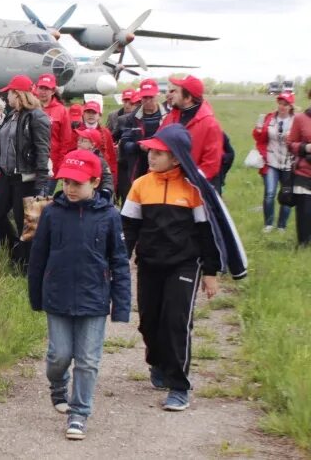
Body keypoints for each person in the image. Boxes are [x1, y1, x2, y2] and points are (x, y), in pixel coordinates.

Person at [120, 124, 247, 412]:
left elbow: (208, 233)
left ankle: (179, 386)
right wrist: (119, 262)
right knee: (149, 322)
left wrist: (211, 272)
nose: (151, 156)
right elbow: (128, 228)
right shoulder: (141, 185)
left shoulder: (193, 189)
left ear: (176, 157)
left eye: (158, 152)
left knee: (176, 322)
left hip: (184, 264)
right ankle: (157, 362)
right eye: (150, 150)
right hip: (150, 264)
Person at [28, 149, 131, 441]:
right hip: (57, 296)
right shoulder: (51, 213)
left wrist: (121, 305)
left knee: (87, 360)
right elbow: (38, 258)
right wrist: (36, 296)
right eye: (66, 182)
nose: (71, 189)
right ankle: (58, 385)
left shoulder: (110, 216)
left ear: (95, 182)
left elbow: (119, 261)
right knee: (59, 356)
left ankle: (79, 413)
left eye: (78, 183)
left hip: (94, 299)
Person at [0, 75, 51, 268]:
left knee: (26, 223)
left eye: (9, 93)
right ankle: (15, 248)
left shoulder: (37, 116)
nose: (7, 97)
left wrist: (41, 186)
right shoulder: (12, 115)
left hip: (26, 178)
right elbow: (3, 137)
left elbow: (42, 150)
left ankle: (27, 265)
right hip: (7, 175)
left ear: (18, 94)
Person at [162, 75, 224, 188]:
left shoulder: (210, 124)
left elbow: (210, 166)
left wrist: (187, 183)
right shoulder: (172, 116)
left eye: (175, 91)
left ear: (188, 98)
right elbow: (159, 143)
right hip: (167, 185)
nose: (170, 95)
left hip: (191, 190)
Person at [253, 91, 296, 233]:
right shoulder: (269, 118)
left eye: (286, 104)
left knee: (287, 195)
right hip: (271, 161)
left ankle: (282, 226)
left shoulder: (296, 120)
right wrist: (258, 130)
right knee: (270, 193)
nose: (282, 107)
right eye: (280, 103)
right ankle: (268, 224)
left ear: (291, 106)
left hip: (289, 164)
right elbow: (259, 138)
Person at [118, 78, 168, 198]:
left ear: (157, 95)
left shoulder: (168, 117)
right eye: (145, 98)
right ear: (141, 98)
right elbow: (124, 143)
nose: (148, 101)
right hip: (138, 165)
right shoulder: (131, 118)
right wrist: (138, 146)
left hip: (163, 166)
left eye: (151, 97)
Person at [36, 74, 74, 195]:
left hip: (50, 164)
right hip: (32, 161)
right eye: (41, 88)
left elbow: (66, 140)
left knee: (43, 198)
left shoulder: (61, 110)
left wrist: (58, 165)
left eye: (46, 89)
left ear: (53, 91)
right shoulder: (32, 107)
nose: (43, 92)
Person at [287, 89, 311, 247]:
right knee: (305, 212)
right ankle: (303, 243)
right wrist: (305, 148)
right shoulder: (300, 119)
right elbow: (290, 144)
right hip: (304, 173)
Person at [80, 101, 118, 190]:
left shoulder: (105, 133)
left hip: (101, 172)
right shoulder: (77, 132)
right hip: (82, 171)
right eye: (88, 112)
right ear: (83, 114)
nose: (91, 115)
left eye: (94, 112)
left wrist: (113, 175)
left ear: (99, 115)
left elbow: (111, 156)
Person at [74, 128, 114, 196]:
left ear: (93, 145)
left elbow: (107, 178)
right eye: (79, 139)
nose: (79, 142)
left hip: (94, 196)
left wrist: (106, 191)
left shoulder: (100, 161)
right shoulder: (74, 157)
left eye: (83, 140)